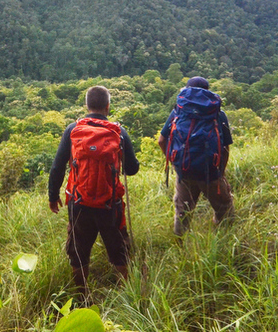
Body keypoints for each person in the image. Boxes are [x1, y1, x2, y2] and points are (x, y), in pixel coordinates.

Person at [48, 85, 140, 300]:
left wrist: (53, 196)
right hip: (110, 204)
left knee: (78, 253)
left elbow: (57, 166)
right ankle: (127, 296)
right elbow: (132, 169)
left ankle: (82, 297)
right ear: (107, 107)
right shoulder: (119, 132)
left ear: (87, 106)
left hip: (79, 202)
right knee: (119, 251)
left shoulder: (73, 130)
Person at [158, 76, 234, 236]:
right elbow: (225, 147)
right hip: (211, 171)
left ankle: (180, 245)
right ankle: (224, 239)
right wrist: (221, 171)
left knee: (182, 212)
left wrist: (175, 162)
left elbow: (161, 140)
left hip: (184, 170)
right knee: (224, 208)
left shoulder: (178, 112)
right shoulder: (218, 114)